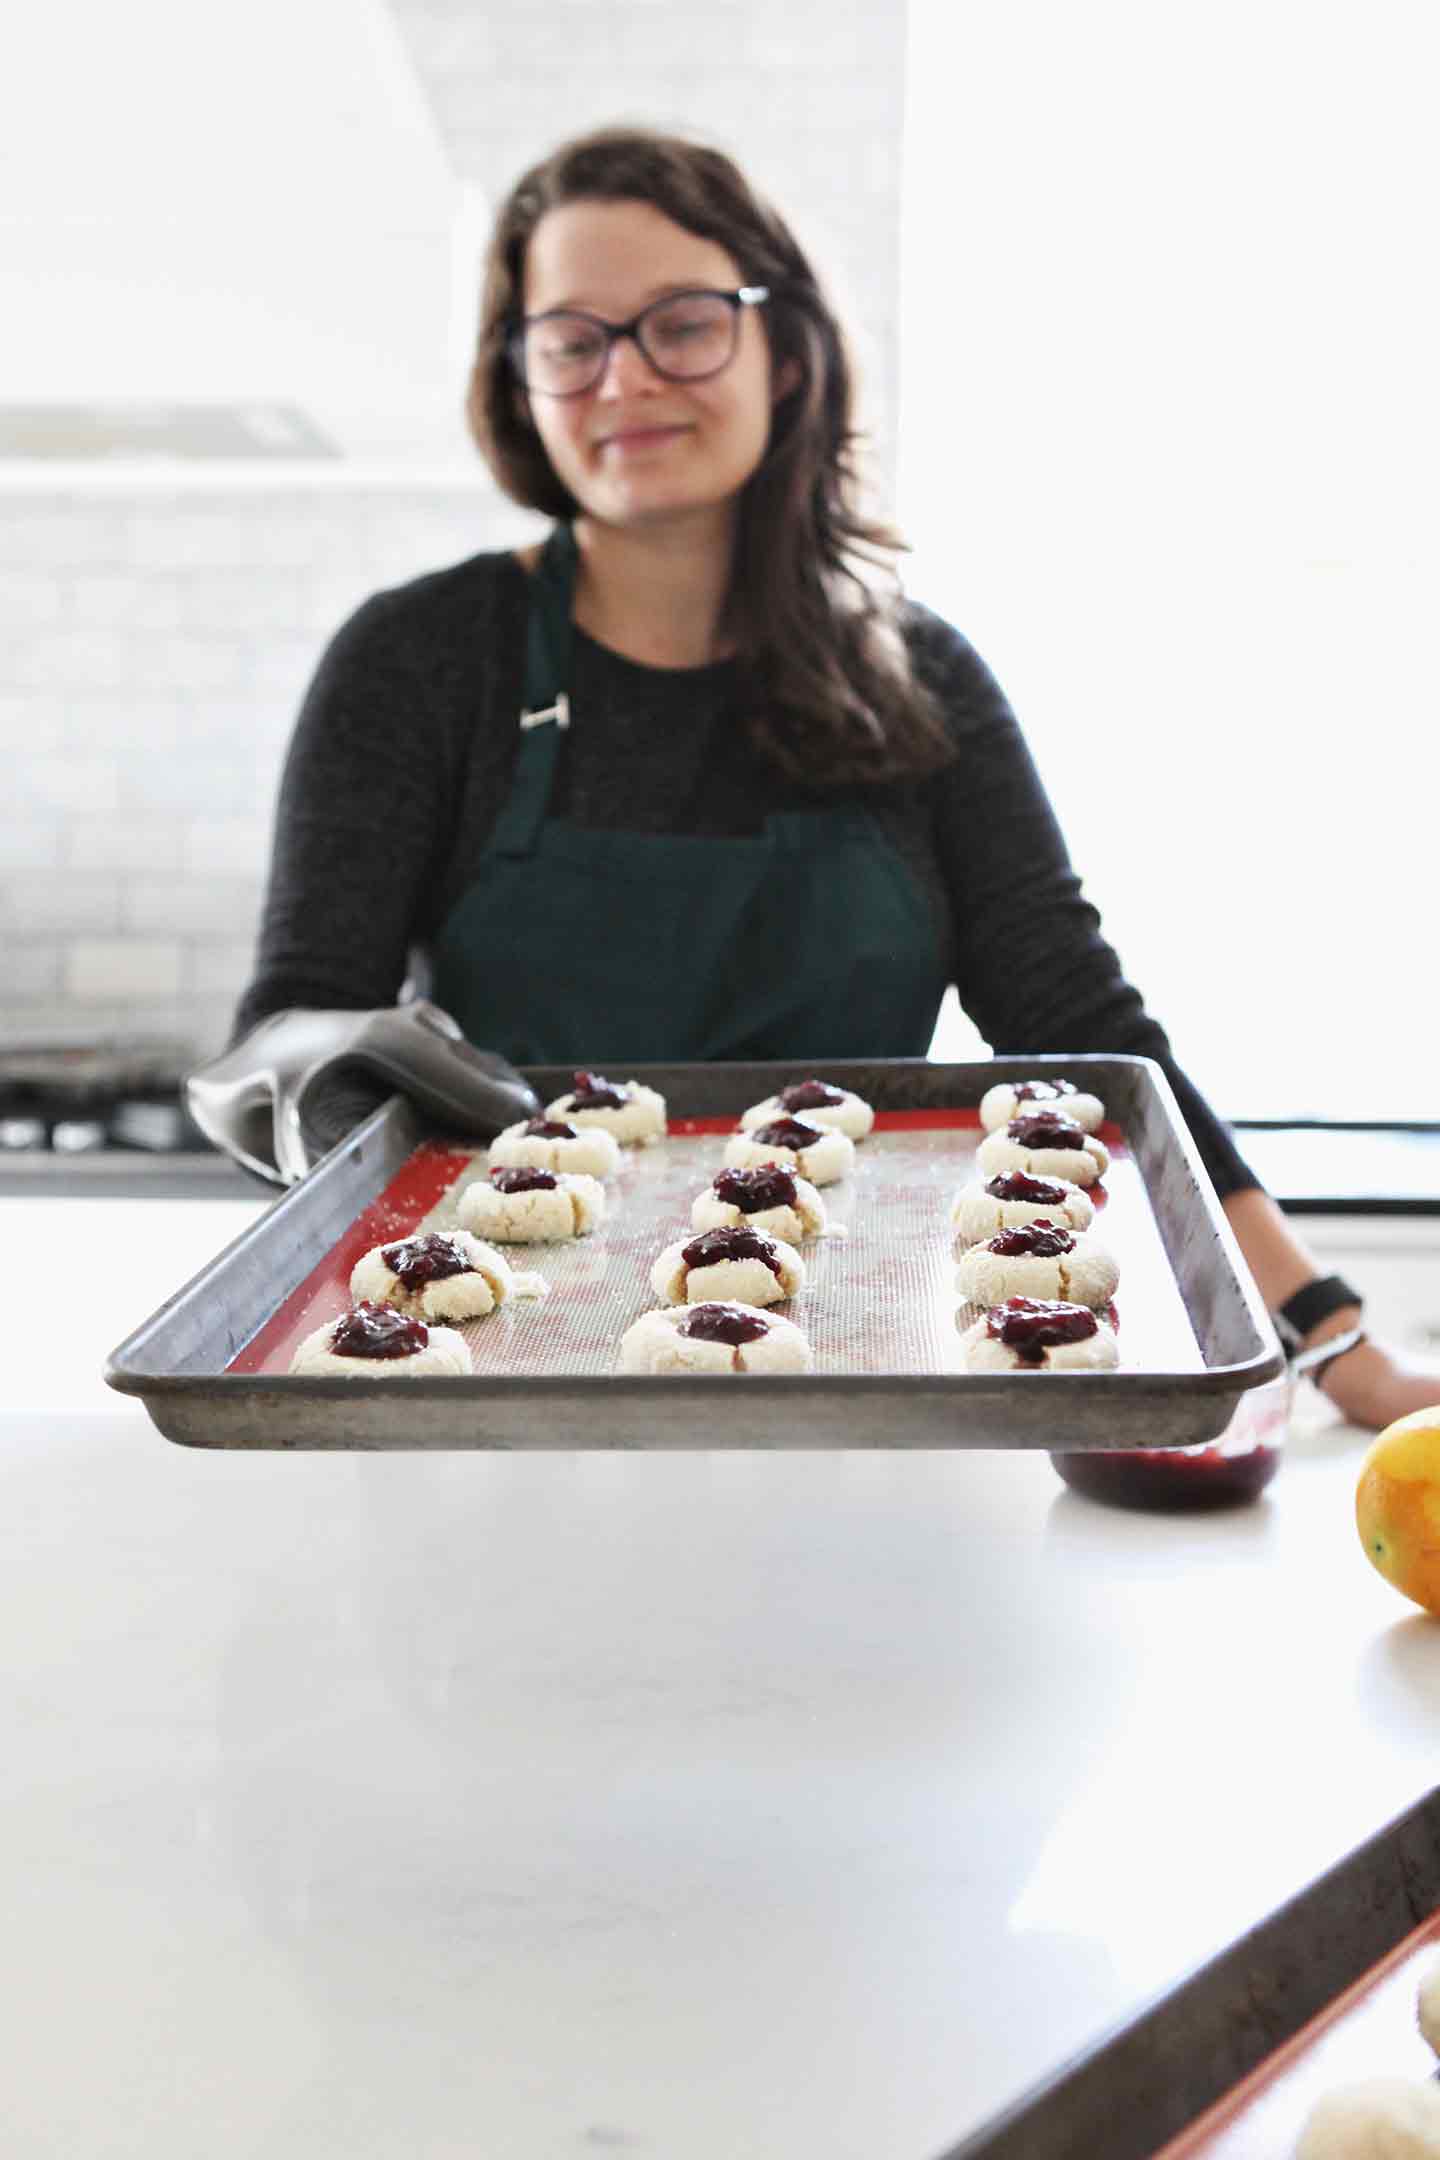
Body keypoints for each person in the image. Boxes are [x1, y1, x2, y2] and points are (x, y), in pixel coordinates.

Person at [232, 124, 1435, 1432]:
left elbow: (1086, 1034)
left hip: (841, 1387)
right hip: (486, 1404)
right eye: (571, 340)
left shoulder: (916, 680)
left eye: (682, 323)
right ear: (519, 382)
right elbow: (304, 1033)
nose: (623, 379)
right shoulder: (421, 663)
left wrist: (1331, 1338)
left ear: (787, 353)